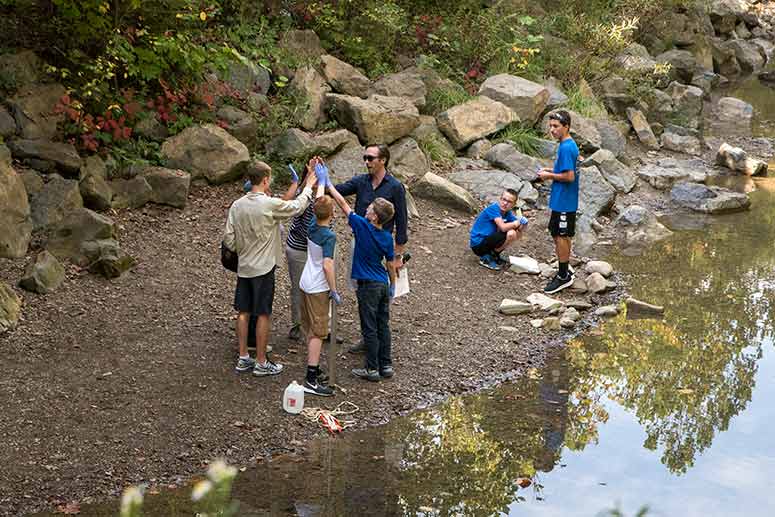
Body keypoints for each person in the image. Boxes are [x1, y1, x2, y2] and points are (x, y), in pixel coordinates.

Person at [223, 160, 317, 376]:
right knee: (263, 313)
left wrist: (243, 249)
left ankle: (243, 356)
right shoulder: (268, 204)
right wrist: (309, 186)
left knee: (243, 311)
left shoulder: (237, 205)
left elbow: (228, 238)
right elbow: (296, 207)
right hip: (264, 267)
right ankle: (262, 361)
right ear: (265, 180)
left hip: (244, 266)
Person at [334, 143, 408, 353]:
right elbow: (339, 192)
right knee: (360, 288)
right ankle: (369, 336)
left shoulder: (395, 186)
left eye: (370, 158)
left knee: (381, 292)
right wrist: (318, 184)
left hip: (382, 246)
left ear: (382, 160)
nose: (366, 162)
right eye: (365, 158)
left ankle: (372, 340)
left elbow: (402, 222)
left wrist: (398, 255)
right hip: (360, 241)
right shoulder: (361, 181)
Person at [327, 169, 396, 382]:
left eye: (370, 208)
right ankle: (386, 365)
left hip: (368, 285)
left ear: (374, 216)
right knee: (383, 324)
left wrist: (328, 183)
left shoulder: (362, 226)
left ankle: (372, 368)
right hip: (382, 283)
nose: (367, 208)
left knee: (369, 327)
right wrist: (392, 285)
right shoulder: (386, 236)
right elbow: (391, 264)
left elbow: (342, 204)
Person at [299, 194, 340, 396]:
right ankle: (311, 379)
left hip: (305, 282)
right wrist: (333, 289)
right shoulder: (329, 237)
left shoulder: (312, 227)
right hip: (317, 287)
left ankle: (313, 367)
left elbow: (319, 207)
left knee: (309, 328)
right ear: (332, 213)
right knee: (318, 332)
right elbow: (327, 265)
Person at [537, 110, 580, 294]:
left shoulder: (567, 147)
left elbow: (569, 176)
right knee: (557, 232)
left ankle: (563, 276)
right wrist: (551, 169)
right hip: (561, 200)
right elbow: (565, 169)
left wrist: (548, 175)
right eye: (550, 126)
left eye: (556, 126)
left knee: (562, 235)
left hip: (565, 201)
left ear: (566, 127)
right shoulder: (565, 145)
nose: (552, 130)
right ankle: (566, 267)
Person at [283, 159, 317, 342]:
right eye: (314, 174)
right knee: (299, 287)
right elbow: (304, 223)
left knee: (321, 286)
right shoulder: (303, 195)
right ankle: (297, 326)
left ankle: (320, 325)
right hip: (299, 248)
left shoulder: (323, 195)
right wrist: (307, 183)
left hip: (317, 249)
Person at [469, 188, 528, 271]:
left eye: (509, 202)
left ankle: (493, 254)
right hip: (478, 244)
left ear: (514, 204)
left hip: (488, 241)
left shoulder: (508, 213)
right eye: (504, 199)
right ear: (500, 199)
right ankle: (486, 257)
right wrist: (515, 223)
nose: (505, 203)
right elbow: (503, 227)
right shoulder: (493, 209)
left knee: (514, 233)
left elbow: (519, 232)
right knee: (510, 232)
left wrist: (524, 224)